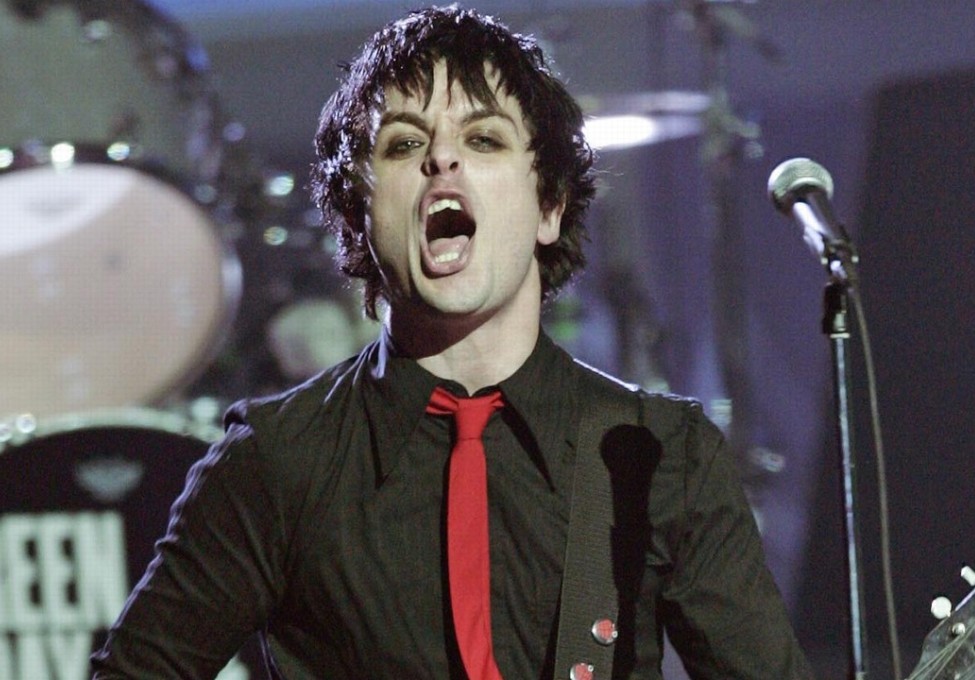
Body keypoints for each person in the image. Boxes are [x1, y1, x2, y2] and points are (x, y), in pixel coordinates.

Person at [91, 5, 815, 679]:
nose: (443, 161)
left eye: (483, 138)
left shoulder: (659, 455)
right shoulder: (278, 461)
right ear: (361, 215)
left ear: (550, 208)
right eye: (404, 143)